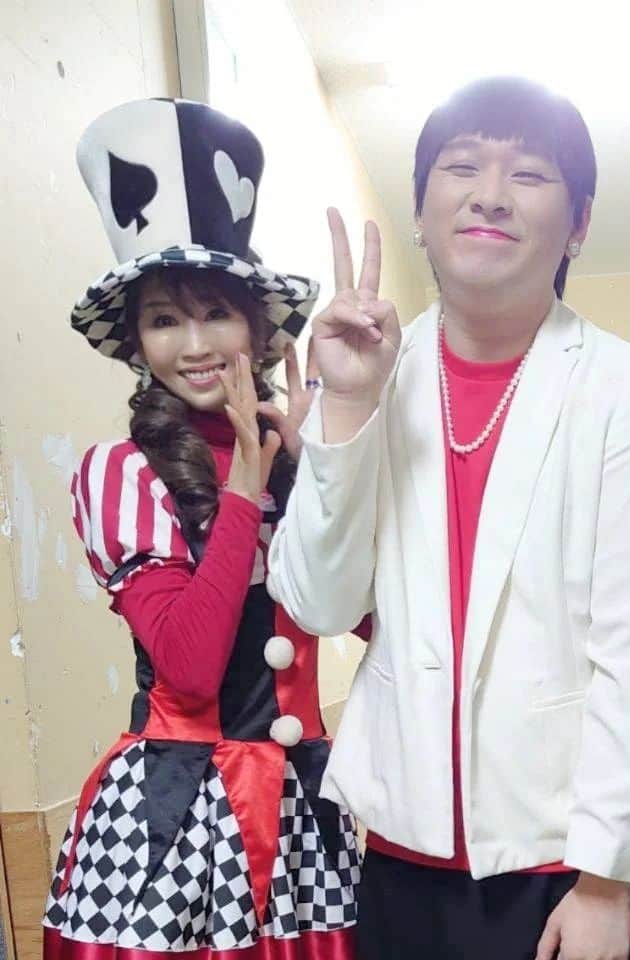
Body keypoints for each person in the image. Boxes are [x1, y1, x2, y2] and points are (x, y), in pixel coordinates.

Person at [267, 75, 630, 960]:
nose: (490, 195)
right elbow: (317, 603)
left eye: (529, 175)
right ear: (421, 212)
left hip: (559, 865)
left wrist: (606, 881)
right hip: (398, 855)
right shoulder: (376, 371)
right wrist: (345, 405)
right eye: (462, 167)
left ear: (578, 222)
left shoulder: (623, 384)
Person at [43, 98, 360, 960]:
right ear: (137, 341)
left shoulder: (298, 456)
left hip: (302, 817)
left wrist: (323, 469)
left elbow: (372, 622)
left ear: (257, 326)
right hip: (171, 827)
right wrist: (246, 491)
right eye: (162, 319)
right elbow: (186, 670)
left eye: (216, 312)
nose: (193, 345)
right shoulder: (121, 471)